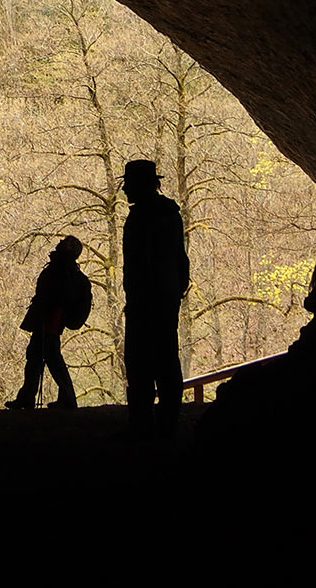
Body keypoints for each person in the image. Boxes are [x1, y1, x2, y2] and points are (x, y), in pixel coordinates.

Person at [122, 159, 190, 437]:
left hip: (145, 300)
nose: (125, 190)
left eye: (128, 184)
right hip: (166, 298)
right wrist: (175, 291)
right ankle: (167, 421)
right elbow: (180, 259)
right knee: (166, 358)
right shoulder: (171, 215)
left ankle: (142, 423)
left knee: (139, 360)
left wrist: (138, 295)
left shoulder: (139, 218)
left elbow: (140, 264)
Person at [6, 235, 89, 410]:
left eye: (64, 242)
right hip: (49, 317)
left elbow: (56, 295)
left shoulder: (61, 269)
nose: (60, 243)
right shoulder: (67, 269)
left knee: (46, 356)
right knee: (41, 356)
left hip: (50, 318)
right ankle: (44, 397)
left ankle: (56, 398)